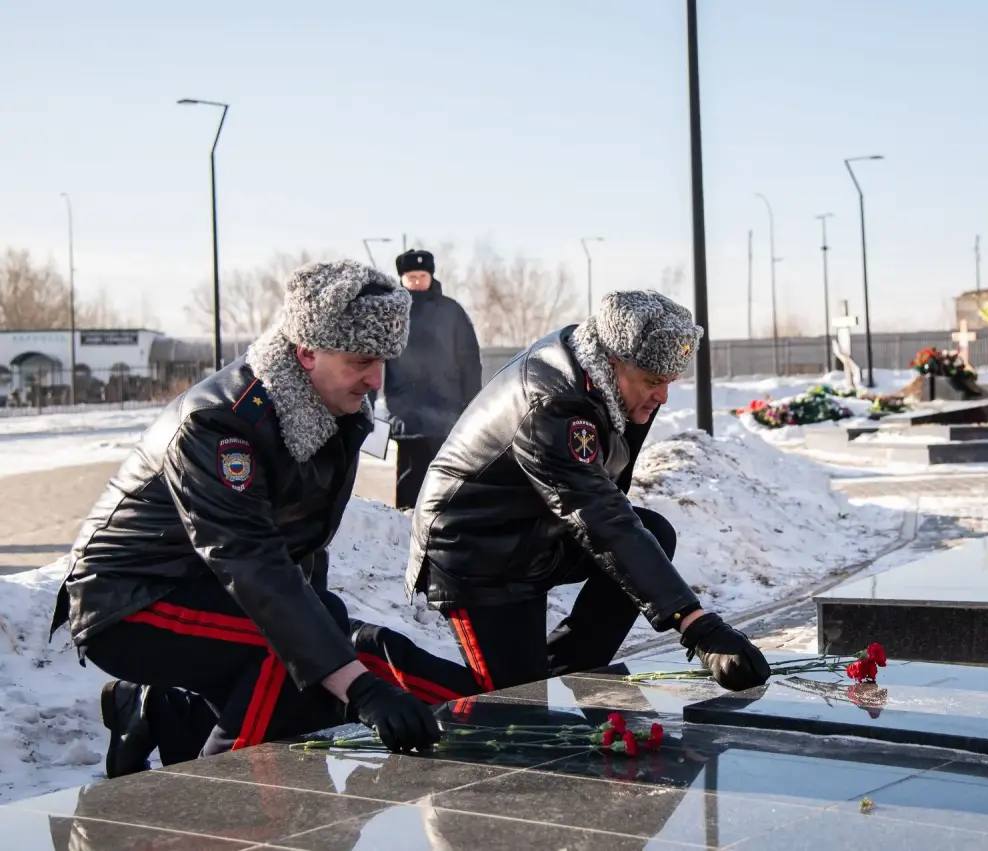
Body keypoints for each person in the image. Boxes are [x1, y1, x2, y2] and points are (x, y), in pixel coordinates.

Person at [49, 260, 478, 778]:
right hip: (130, 597)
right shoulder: (220, 422)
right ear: (307, 352)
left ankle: (161, 715)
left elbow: (303, 546)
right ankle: (218, 801)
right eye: (362, 360)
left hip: (215, 590)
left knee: (326, 650)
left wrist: (334, 648)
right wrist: (355, 687)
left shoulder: (335, 408)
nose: (377, 380)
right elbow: (249, 560)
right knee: (293, 663)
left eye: (385, 360)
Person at [407, 290, 771, 693]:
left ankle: (565, 673)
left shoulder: (614, 383)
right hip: (475, 549)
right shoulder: (553, 403)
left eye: (670, 382)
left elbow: (611, 499)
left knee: (653, 534)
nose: (663, 396)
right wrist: (695, 623)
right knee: (510, 707)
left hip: (535, 530)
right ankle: (369, 667)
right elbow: (598, 515)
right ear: (614, 363)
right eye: (653, 382)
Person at [380, 249, 482, 509]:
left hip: (447, 414)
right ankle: (407, 530)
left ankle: (444, 532)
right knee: (410, 483)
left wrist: (472, 407)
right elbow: (376, 358)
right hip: (408, 414)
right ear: (401, 278)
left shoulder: (452, 311)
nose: (416, 281)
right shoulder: (391, 313)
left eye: (421, 275)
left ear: (431, 276)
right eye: (411, 276)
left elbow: (469, 361)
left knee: (447, 481)